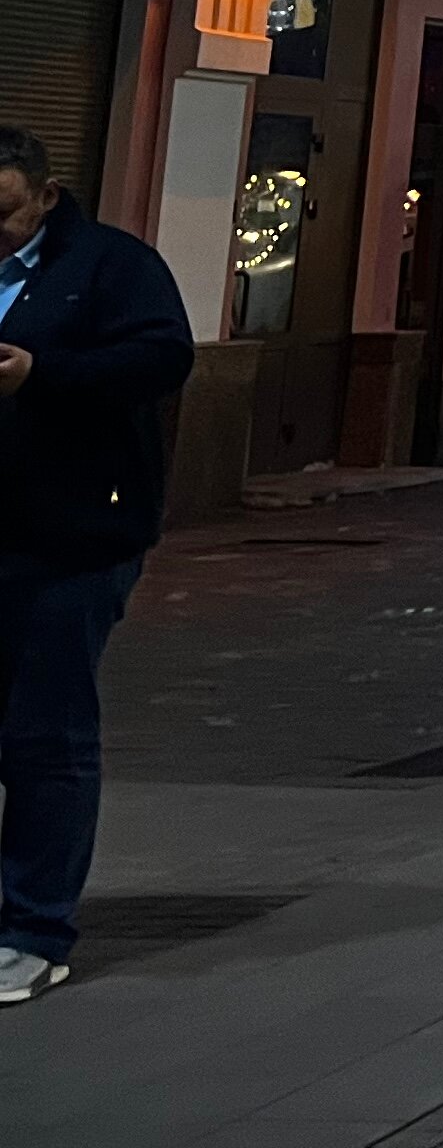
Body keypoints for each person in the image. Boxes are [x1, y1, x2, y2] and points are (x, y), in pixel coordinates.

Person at [0, 125, 192, 1003]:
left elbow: (161, 359)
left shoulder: (112, 266)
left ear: (43, 196)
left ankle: (36, 927)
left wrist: (42, 371)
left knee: (46, 733)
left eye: (3, 211)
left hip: (74, 537)